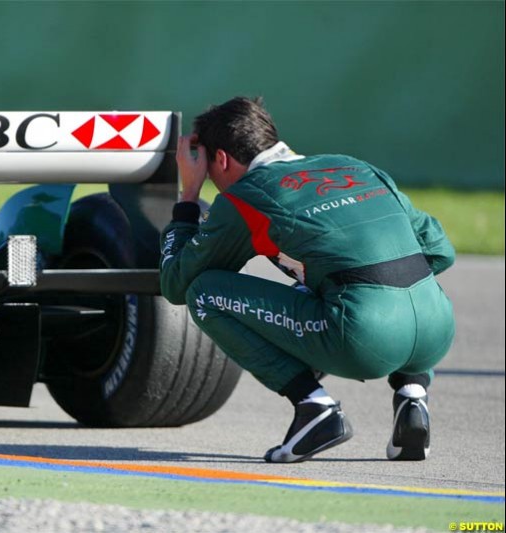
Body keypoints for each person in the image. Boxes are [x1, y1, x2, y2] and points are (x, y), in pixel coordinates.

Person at [160, 96, 455, 463]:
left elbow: (175, 284)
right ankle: (412, 397)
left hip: (363, 337)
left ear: (220, 159)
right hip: (437, 327)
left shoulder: (244, 197)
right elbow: (441, 251)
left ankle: (315, 407)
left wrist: (189, 195)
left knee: (204, 293)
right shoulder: (355, 167)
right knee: (401, 274)